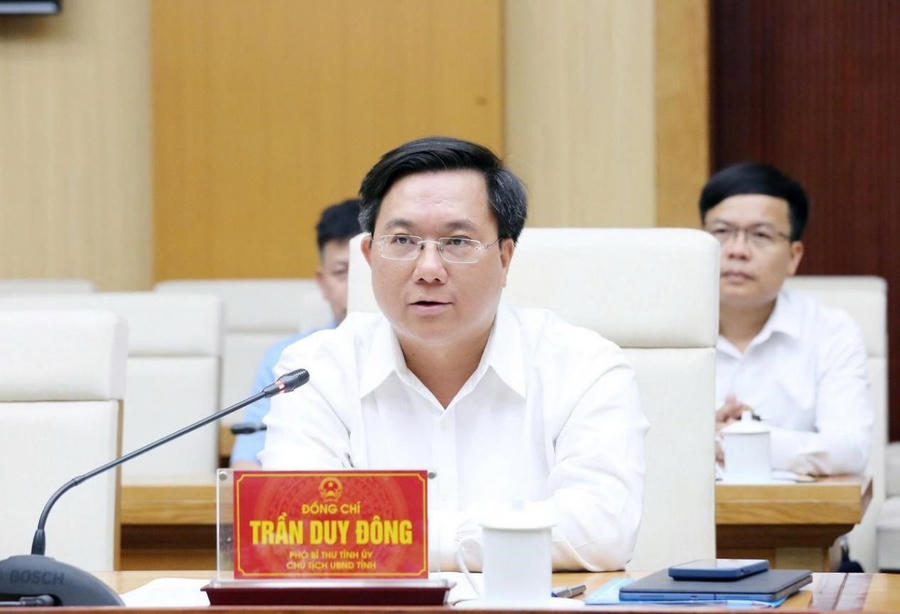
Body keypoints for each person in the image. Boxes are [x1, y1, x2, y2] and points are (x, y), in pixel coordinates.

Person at [260, 136, 648, 572]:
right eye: (402, 240)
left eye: (457, 242)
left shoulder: (584, 367)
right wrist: (503, 538)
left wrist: (398, 538)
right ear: (369, 256)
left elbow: (602, 531)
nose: (428, 269)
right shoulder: (314, 372)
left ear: (505, 258)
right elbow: (295, 528)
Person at [701, 162, 873, 476]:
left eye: (760, 235)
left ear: (794, 257)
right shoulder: (661, 332)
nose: (737, 250)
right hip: (679, 507)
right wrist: (696, 438)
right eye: (722, 232)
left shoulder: (830, 332)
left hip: (796, 508)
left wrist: (745, 438)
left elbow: (850, 450)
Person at [230, 198, 361, 469]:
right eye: (341, 272)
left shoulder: (420, 351)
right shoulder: (288, 359)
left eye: (364, 272)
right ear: (322, 283)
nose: (355, 286)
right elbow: (245, 465)